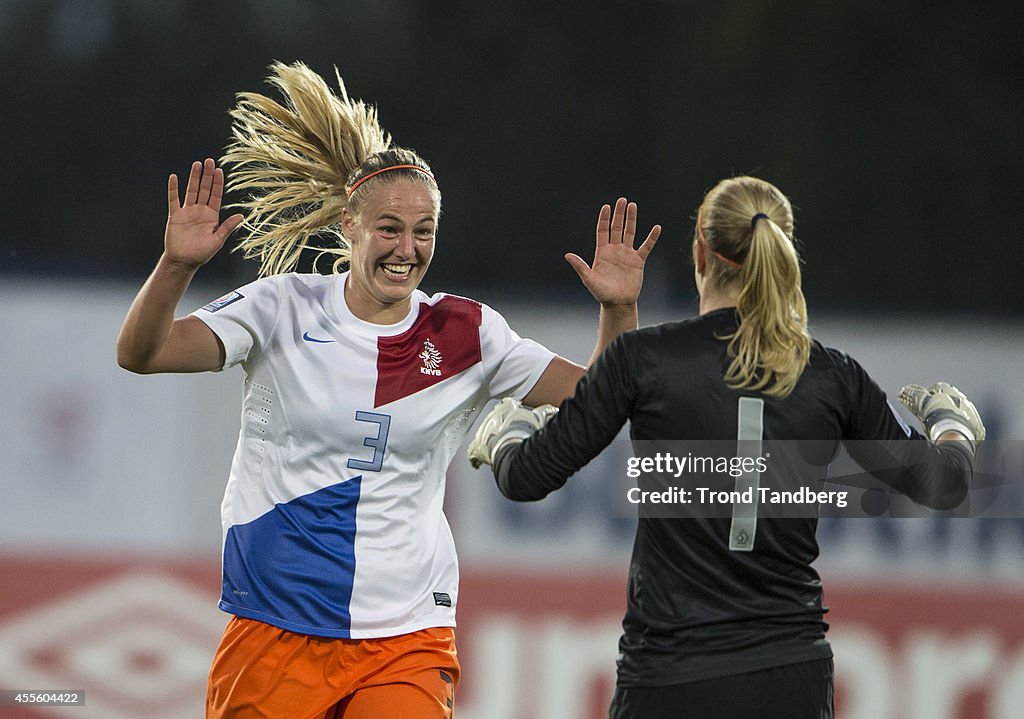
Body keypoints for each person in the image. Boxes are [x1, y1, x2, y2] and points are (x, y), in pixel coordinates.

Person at [115, 61, 660, 719]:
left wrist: (618, 311)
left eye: (423, 229)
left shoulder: (467, 332)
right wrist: (175, 266)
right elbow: (141, 353)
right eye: (390, 228)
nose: (407, 247)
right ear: (349, 225)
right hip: (273, 625)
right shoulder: (280, 307)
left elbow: (601, 398)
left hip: (405, 635)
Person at [467, 175, 985, 719]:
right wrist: (952, 426)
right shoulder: (832, 376)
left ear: (700, 252)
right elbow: (945, 484)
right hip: (790, 682)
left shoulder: (647, 360)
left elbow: (527, 477)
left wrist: (509, 432)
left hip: (668, 681)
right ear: (783, 253)